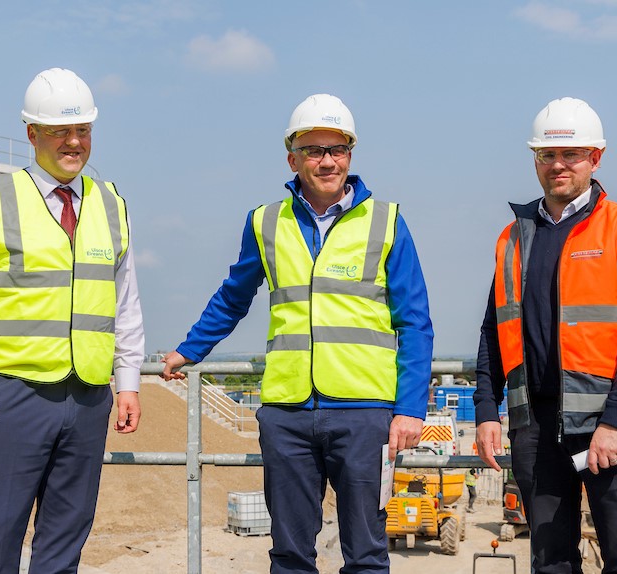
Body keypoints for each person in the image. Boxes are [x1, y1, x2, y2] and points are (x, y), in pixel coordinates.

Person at [162, 94, 434, 573]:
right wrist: (189, 350)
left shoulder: (386, 222)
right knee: (289, 554)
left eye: (337, 149)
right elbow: (234, 296)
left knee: (367, 553)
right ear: (293, 158)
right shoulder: (266, 222)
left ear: (350, 154)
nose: (327, 160)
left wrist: (409, 409)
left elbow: (414, 322)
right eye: (314, 150)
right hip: (287, 416)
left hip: (365, 414)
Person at [0, 67, 145, 574]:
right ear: (31, 134)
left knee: (65, 542)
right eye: (60, 131)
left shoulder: (113, 206)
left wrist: (127, 383)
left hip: (88, 397)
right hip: (12, 397)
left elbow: (124, 303)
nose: (73, 142)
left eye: (82, 130)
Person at [473, 97, 617, 574]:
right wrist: (485, 409)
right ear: (535, 159)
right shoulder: (514, 236)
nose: (557, 165)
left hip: (606, 421)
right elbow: (493, 328)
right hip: (534, 426)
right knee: (550, 560)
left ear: (595, 158)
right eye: (547, 155)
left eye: (570, 155)